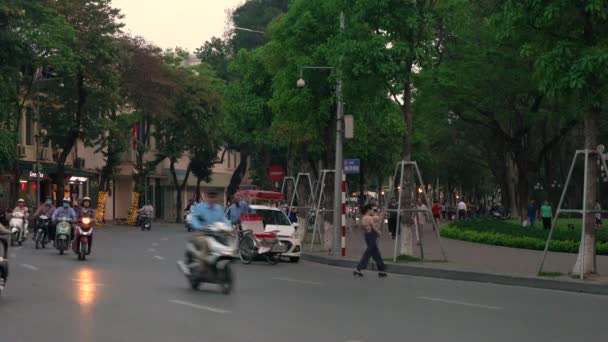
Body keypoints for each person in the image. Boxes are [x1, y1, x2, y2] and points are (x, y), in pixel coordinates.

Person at [186, 192, 230, 273]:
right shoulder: (199, 207)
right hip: (201, 235)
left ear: (217, 198)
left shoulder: (219, 208)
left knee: (226, 243)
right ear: (206, 197)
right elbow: (194, 219)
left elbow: (224, 220)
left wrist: (229, 227)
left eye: (214, 197)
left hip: (216, 235)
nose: (212, 199)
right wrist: (200, 226)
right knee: (206, 242)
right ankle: (201, 264)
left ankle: (217, 263)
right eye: (210, 196)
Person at [353, 204, 387, 278]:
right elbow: (374, 226)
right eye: (372, 209)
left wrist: (379, 213)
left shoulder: (364, 217)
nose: (373, 211)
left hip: (367, 236)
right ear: (368, 210)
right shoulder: (369, 218)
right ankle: (358, 268)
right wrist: (378, 232)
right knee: (368, 252)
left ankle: (381, 270)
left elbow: (378, 218)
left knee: (376, 253)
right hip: (372, 235)